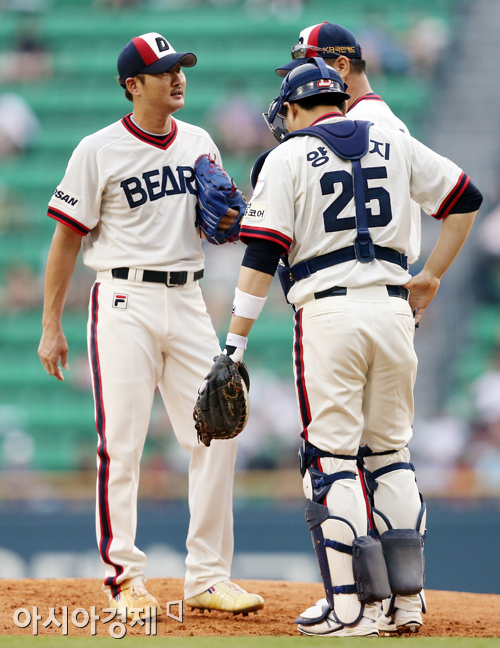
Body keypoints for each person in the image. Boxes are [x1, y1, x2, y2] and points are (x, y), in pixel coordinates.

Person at [214, 59, 482, 636]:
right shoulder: (395, 139)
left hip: (329, 310)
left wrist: (232, 348)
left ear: (292, 109)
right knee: (391, 454)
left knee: (331, 461)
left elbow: (261, 257)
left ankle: (352, 605)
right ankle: (407, 605)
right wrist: (430, 273)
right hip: (394, 308)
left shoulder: (286, 157)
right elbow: (466, 197)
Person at [37, 32, 264, 618]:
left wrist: (230, 219)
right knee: (124, 445)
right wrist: (50, 324)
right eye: (165, 72)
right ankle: (124, 581)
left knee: (219, 428)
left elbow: (218, 223)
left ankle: (207, 576)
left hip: (187, 298)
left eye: (181, 68)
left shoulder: (199, 141)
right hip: (122, 298)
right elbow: (67, 239)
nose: (178, 78)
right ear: (133, 85)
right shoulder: (98, 149)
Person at [275, 22, 422, 266]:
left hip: (365, 272)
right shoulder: (377, 119)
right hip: (378, 271)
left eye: (309, 70)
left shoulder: (359, 124)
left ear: (342, 66)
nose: (302, 81)